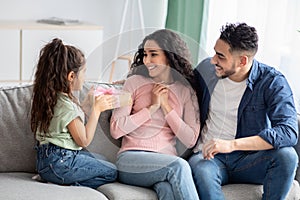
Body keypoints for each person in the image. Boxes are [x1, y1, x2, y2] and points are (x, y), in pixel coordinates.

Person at [189, 22, 299, 200]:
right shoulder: (206, 70)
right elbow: (178, 85)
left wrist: (232, 145)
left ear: (242, 61)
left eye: (221, 56)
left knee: (287, 156)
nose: (213, 60)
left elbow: (288, 131)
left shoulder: (271, 81)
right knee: (202, 170)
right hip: (209, 157)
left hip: (250, 160)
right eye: (215, 53)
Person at [110, 29, 200, 200]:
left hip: (164, 162)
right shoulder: (133, 83)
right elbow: (115, 129)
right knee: (179, 166)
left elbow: (190, 139)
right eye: (145, 54)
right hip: (131, 160)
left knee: (166, 190)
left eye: (153, 55)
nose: (147, 60)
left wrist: (166, 106)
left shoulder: (186, 91)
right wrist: (151, 108)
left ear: (170, 56)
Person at [30, 38, 117, 189]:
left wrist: (87, 103)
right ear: (71, 76)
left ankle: (52, 177)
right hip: (61, 163)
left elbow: (69, 123)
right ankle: (64, 182)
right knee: (111, 172)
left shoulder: (51, 98)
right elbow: (83, 141)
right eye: (83, 72)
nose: (85, 77)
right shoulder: (67, 107)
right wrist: (96, 110)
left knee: (101, 159)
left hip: (45, 161)